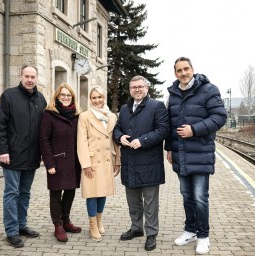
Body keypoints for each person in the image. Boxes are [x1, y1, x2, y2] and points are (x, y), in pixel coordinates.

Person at [164, 57, 227, 254]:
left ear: (193, 69)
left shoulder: (209, 90)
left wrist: (194, 130)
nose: (183, 73)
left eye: (186, 69)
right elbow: (170, 124)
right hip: (180, 154)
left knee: (200, 197)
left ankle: (203, 236)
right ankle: (190, 230)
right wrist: (169, 148)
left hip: (200, 152)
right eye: (179, 70)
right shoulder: (172, 94)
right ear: (175, 73)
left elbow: (219, 117)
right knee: (186, 196)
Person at [113, 75, 170, 251]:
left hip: (149, 163)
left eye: (140, 87)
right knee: (133, 201)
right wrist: (120, 137)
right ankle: (136, 228)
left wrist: (143, 140)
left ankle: (151, 233)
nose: (136, 90)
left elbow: (163, 130)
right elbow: (116, 129)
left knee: (150, 202)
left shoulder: (157, 106)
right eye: (133, 87)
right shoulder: (124, 108)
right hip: (129, 162)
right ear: (130, 90)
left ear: (147, 88)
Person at [0, 64, 47, 248]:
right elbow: (0, 126)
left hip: (32, 157)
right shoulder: (8, 96)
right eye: (27, 76)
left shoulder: (41, 99)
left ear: (36, 78)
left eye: (33, 76)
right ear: (21, 76)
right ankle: (11, 231)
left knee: (25, 193)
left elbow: (45, 128)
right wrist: (2, 150)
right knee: (11, 193)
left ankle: (22, 225)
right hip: (12, 156)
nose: (30, 80)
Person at [77, 87, 121, 242]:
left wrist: (118, 161)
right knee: (92, 193)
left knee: (102, 192)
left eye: (100, 97)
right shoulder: (84, 116)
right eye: (94, 98)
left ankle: (99, 220)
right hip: (92, 161)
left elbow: (115, 140)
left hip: (107, 159)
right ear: (90, 99)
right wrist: (85, 164)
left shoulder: (112, 117)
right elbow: (81, 142)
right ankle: (92, 225)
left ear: (104, 98)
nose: (97, 100)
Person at [39, 83, 82, 243]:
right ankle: (58, 226)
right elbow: (44, 140)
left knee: (70, 192)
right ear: (57, 96)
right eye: (62, 95)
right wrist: (49, 163)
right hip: (56, 160)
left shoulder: (78, 115)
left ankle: (66, 221)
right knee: (56, 193)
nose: (65, 97)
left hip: (74, 162)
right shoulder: (49, 114)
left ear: (72, 98)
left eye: (68, 95)